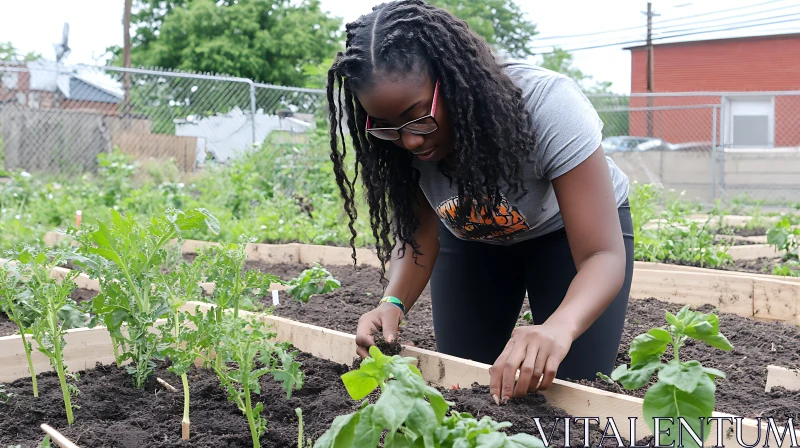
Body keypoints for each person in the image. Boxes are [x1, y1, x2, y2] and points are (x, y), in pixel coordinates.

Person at [325, 0, 634, 406]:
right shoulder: (397, 139)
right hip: (473, 238)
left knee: (572, 392)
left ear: (451, 82)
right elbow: (419, 232)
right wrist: (393, 302)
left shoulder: (546, 105)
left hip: (567, 238)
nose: (410, 140)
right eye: (387, 127)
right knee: (467, 387)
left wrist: (558, 327)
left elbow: (602, 254)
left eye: (417, 117)